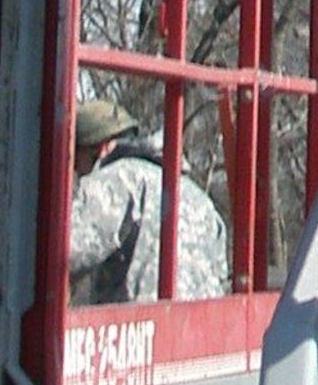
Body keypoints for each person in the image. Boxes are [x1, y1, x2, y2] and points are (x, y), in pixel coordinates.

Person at [67, 85, 230, 305]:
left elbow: (66, 255)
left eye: (78, 161)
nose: (78, 172)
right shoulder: (196, 195)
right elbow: (220, 276)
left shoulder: (116, 180)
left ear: (102, 148)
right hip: (203, 331)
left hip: (143, 333)